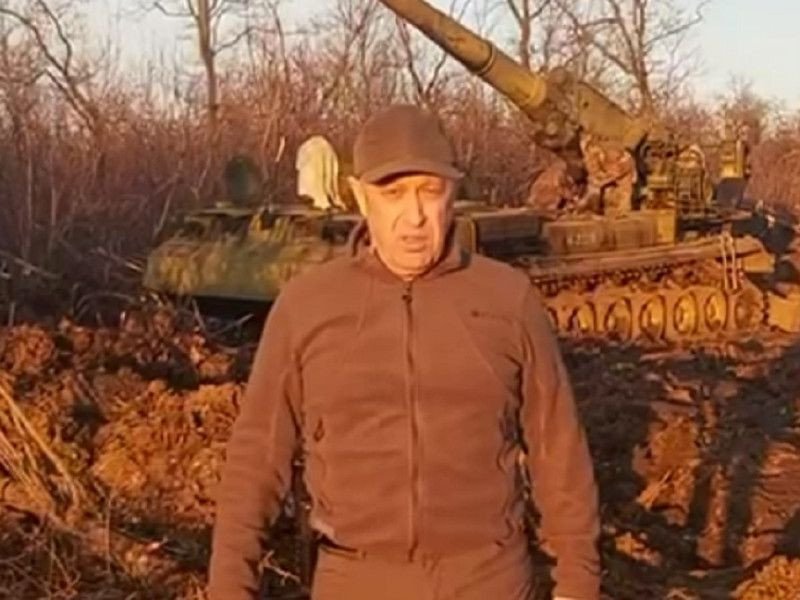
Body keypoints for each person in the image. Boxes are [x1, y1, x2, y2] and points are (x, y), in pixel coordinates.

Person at [207, 104, 601, 600]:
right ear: (360, 197)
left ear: (453, 194)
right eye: (392, 193)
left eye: (429, 191)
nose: (414, 216)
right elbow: (256, 463)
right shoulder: (307, 306)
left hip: (487, 578)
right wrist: (230, 587)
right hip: (356, 581)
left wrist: (577, 584)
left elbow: (558, 451)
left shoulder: (508, 299)